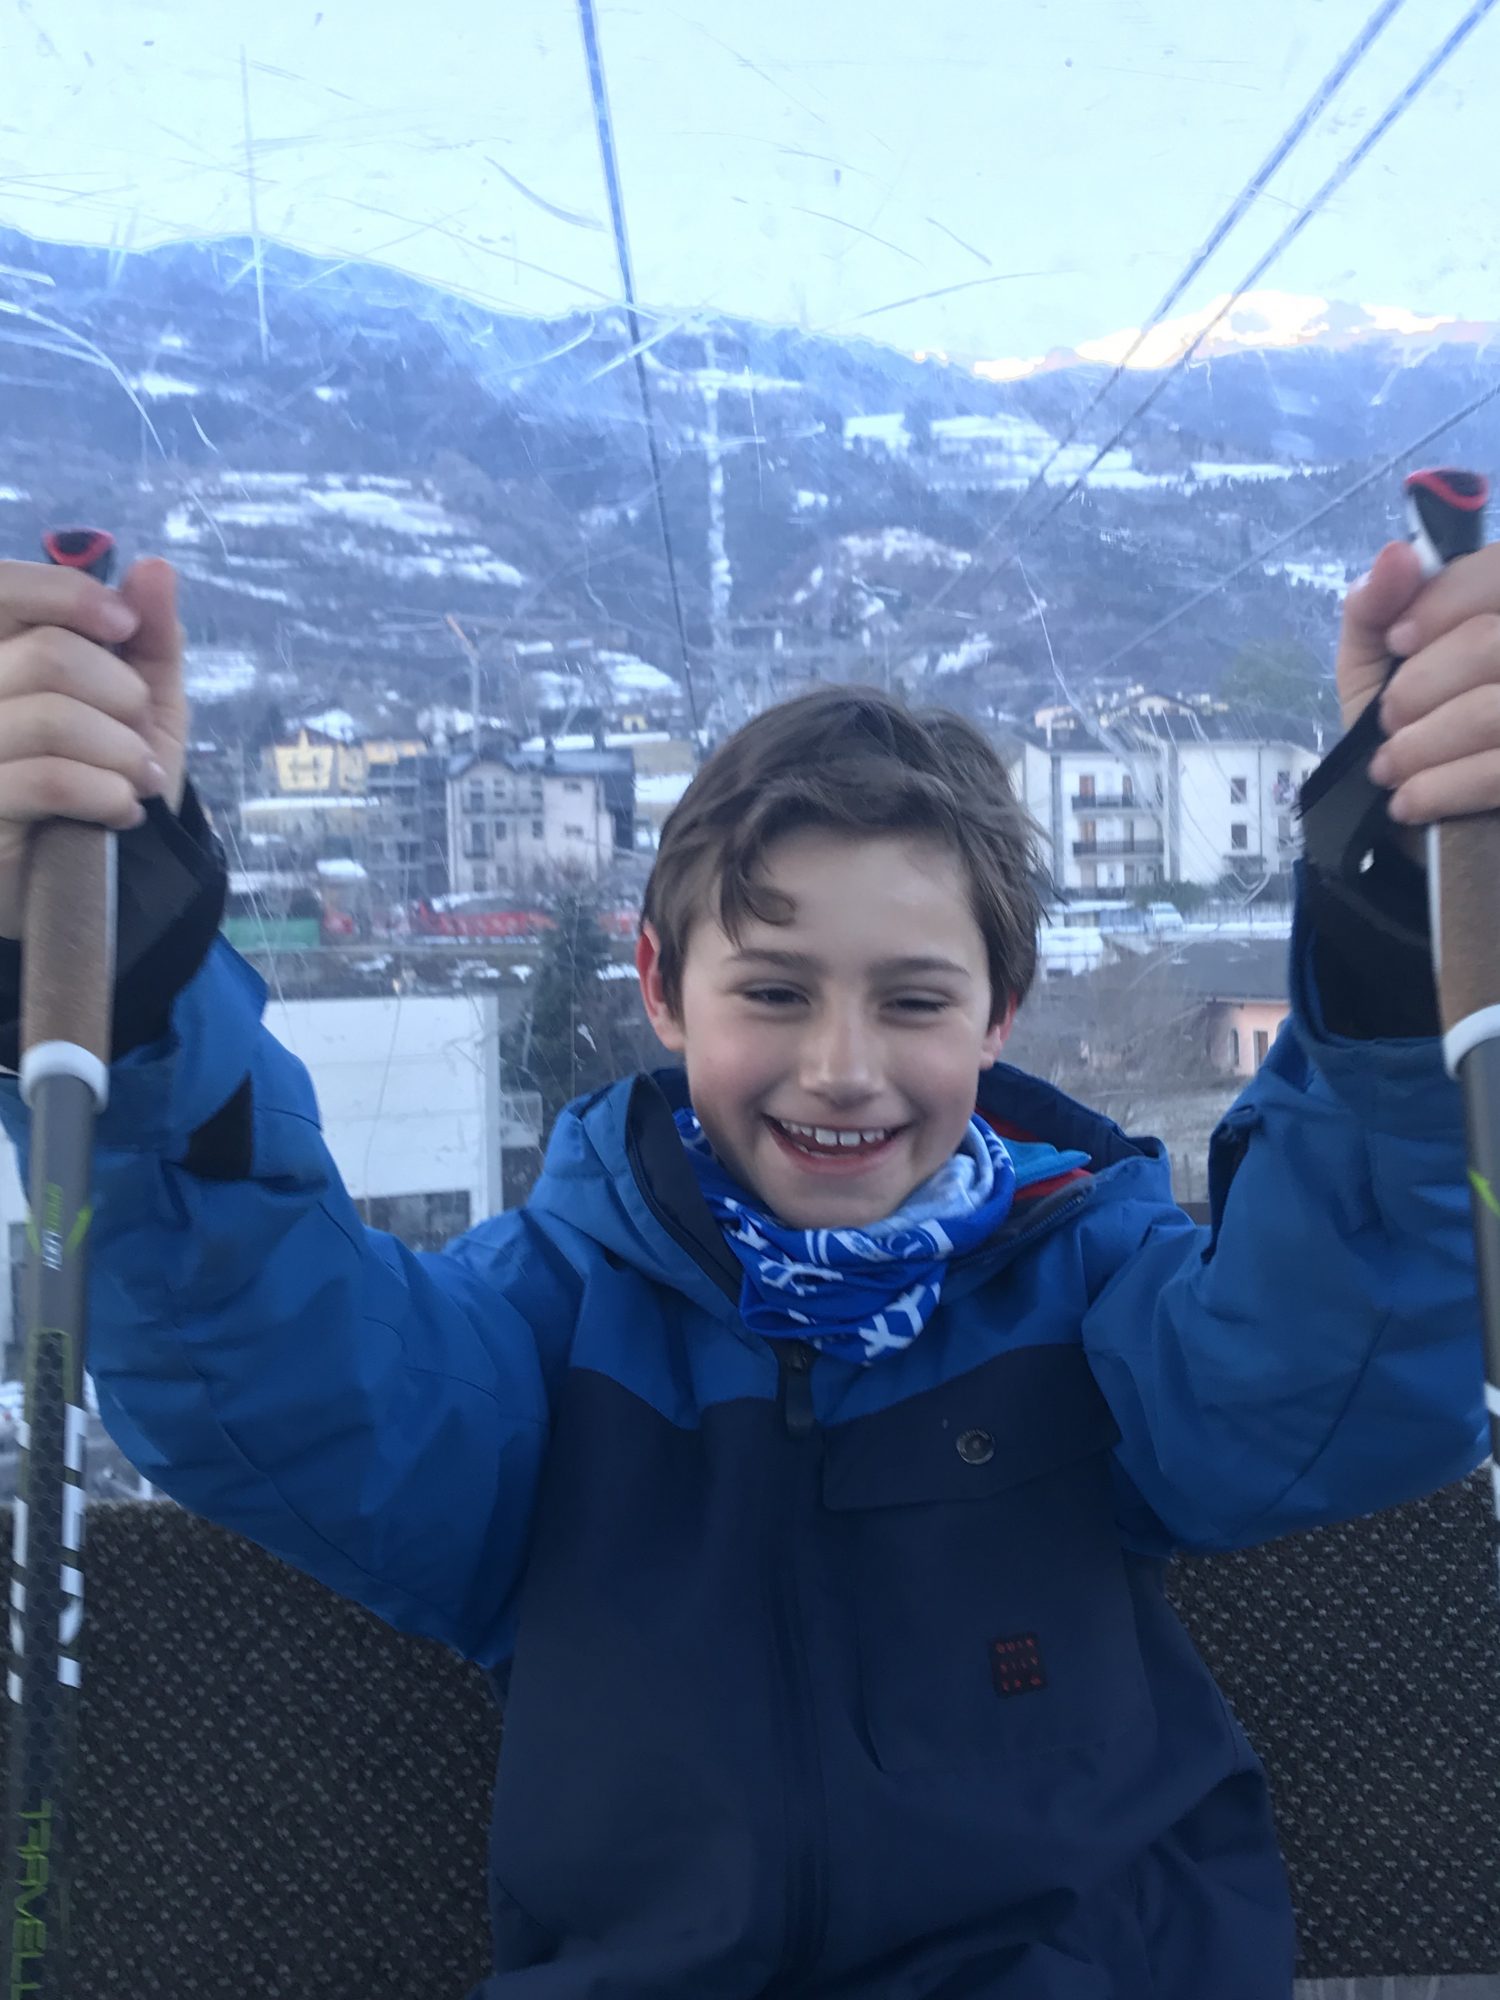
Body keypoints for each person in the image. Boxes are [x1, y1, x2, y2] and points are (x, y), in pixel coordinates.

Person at [0, 535, 1495, 2000]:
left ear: (1001, 1015)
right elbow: (272, 1364)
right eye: (772, 992)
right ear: (661, 989)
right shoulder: (547, 1330)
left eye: (914, 999)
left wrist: (1387, 946)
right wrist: (138, 995)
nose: (841, 1070)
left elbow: (1324, 1387)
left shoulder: (1094, 1285)